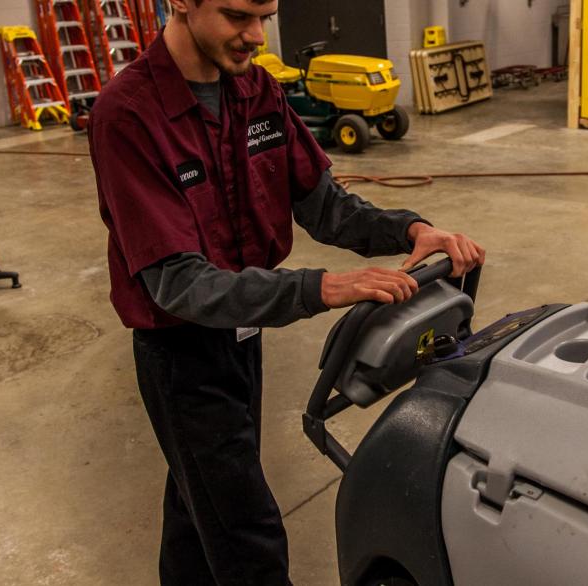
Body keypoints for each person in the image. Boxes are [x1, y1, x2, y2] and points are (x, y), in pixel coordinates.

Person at [87, 0, 486, 583]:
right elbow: (179, 283)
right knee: (247, 533)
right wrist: (320, 287)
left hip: (243, 340)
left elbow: (323, 205)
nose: (255, 35)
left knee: (198, 501)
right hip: (183, 355)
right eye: (236, 15)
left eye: (265, 16)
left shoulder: (256, 91)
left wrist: (410, 229)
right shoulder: (128, 114)